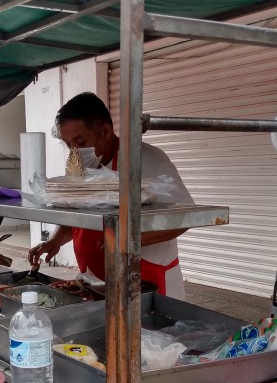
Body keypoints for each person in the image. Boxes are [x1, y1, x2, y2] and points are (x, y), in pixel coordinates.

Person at [28, 92, 194, 299]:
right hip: (96, 279)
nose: (74, 152)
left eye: (79, 141)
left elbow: (183, 219)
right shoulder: (82, 168)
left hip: (147, 280)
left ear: (105, 131)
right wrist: (54, 241)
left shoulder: (146, 160)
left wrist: (129, 240)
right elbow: (75, 215)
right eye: (68, 144)